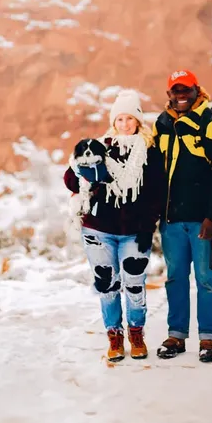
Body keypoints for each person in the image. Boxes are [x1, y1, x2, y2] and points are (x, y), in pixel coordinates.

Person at [64, 89, 165, 362]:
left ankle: (136, 333)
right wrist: (82, 166)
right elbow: (72, 181)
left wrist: (148, 228)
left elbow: (157, 194)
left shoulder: (149, 153)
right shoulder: (99, 147)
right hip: (98, 229)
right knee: (106, 284)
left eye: (129, 119)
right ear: (113, 121)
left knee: (134, 284)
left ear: (138, 121)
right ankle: (114, 337)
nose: (124, 124)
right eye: (119, 119)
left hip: (134, 231)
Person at [153, 69, 212, 363]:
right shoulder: (162, 124)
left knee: (206, 278)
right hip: (171, 220)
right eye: (175, 90)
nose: (181, 95)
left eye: (186, 89)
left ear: (196, 90)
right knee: (175, 278)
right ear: (169, 94)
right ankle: (176, 335)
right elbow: (154, 172)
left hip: (203, 219)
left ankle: (208, 339)